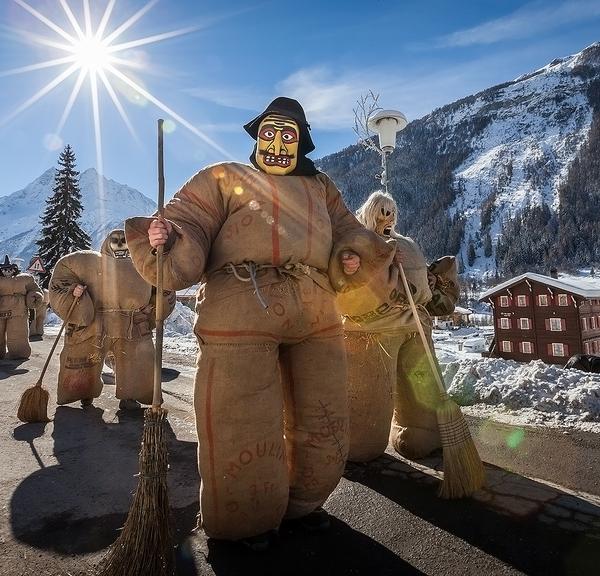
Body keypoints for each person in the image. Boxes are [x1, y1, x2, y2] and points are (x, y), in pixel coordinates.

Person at [125, 97, 393, 550]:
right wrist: (167, 235)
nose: (276, 144)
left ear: (301, 143)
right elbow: (187, 219)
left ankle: (304, 504)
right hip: (240, 306)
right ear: (257, 137)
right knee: (241, 416)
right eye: (269, 133)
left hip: (316, 309)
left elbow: (350, 229)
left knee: (324, 414)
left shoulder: (322, 187)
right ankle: (245, 518)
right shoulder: (222, 178)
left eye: (288, 136)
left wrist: (352, 252)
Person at [337, 191, 459, 462]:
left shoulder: (405, 245)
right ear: (370, 212)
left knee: (420, 386)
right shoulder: (358, 241)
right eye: (381, 211)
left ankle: (419, 431)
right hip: (372, 331)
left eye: (391, 212)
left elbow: (421, 284)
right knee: (370, 396)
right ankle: (359, 440)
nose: (387, 217)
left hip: (414, 325)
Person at [48, 229, 175, 409]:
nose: (120, 244)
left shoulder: (144, 265)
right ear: (108, 242)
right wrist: (73, 292)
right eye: (116, 241)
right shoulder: (86, 262)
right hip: (94, 323)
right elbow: (63, 276)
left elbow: (163, 287)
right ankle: (83, 392)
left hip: (130, 323)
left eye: (124, 240)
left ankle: (132, 395)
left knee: (136, 360)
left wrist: (152, 308)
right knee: (84, 359)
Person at [0, 255, 43, 359]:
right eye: (5, 270)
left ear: (14, 269)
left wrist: (33, 297)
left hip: (18, 311)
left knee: (17, 332)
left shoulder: (25, 279)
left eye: (10, 269)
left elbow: (35, 289)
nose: (7, 272)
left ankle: (18, 353)